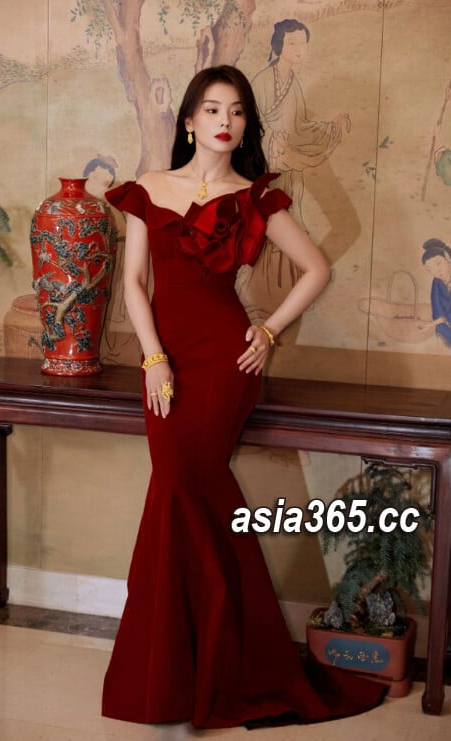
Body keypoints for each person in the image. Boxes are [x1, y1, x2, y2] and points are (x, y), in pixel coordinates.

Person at [102, 64, 385, 730]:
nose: (224, 120)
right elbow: (134, 284)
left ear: (245, 124)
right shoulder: (149, 188)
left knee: (182, 490)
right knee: (182, 493)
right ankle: (206, 663)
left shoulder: (255, 198)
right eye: (211, 108)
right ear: (189, 121)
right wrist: (152, 358)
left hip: (226, 362)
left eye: (236, 111)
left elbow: (316, 268)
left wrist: (269, 328)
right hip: (164, 358)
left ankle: (185, 673)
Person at [251, 19, 350, 234]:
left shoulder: (293, 84)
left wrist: (330, 126)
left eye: (303, 43)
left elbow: (300, 125)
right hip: (266, 159)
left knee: (293, 200)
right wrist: (273, 136)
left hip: (287, 155)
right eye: (292, 43)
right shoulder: (262, 81)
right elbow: (251, 121)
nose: (299, 49)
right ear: (279, 45)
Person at [422, 238, 451, 347]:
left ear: (447, 258)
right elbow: (437, 308)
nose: (436, 271)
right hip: (444, 330)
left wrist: (431, 324)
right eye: (430, 270)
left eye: (438, 264)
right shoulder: (436, 282)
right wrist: (432, 324)